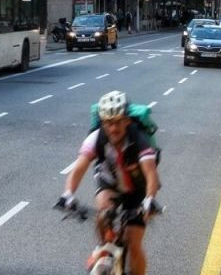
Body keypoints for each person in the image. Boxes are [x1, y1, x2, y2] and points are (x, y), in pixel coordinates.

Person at [57, 91, 159, 274]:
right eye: (108, 123)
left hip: (138, 188)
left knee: (134, 243)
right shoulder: (96, 138)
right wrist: (68, 194)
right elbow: (79, 168)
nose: (113, 128)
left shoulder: (139, 140)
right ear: (102, 123)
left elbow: (151, 175)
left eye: (118, 122)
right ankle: (105, 245)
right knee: (104, 214)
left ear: (127, 120)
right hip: (109, 182)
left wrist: (149, 200)